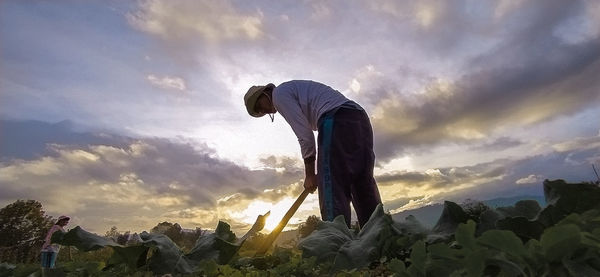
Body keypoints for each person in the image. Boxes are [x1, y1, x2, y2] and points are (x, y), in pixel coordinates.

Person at [244, 80, 382, 227]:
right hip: (359, 117)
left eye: (260, 107)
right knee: (361, 183)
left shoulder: (278, 95)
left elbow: (305, 136)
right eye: (261, 112)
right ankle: (379, 239)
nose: (265, 112)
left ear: (265, 93)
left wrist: (310, 174)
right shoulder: (294, 90)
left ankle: (336, 245)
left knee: (331, 187)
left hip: (336, 118)